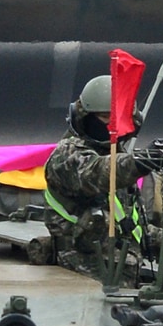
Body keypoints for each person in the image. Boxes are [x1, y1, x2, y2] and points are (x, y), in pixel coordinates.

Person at [43, 73, 152, 274]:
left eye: (117, 118)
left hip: (122, 266)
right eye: (104, 117)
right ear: (84, 117)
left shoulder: (117, 154)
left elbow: (128, 225)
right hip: (80, 271)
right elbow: (98, 171)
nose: (111, 125)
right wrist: (139, 162)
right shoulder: (67, 155)